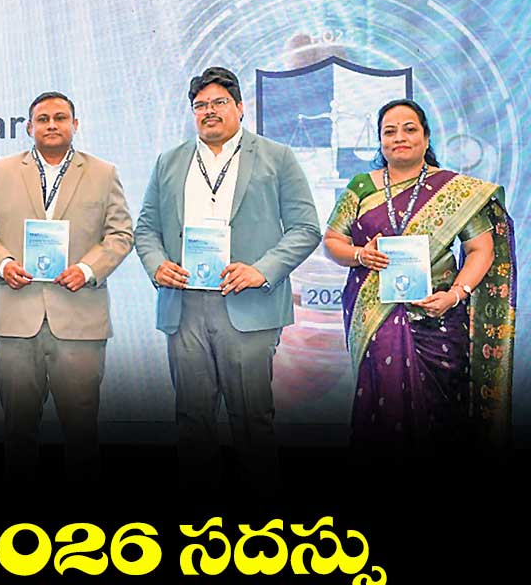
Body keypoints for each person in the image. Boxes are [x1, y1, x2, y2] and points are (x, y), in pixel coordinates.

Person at [134, 67, 320, 492]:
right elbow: (146, 228)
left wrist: (262, 270)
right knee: (191, 420)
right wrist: (157, 265)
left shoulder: (277, 157)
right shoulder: (169, 161)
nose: (209, 111)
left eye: (219, 102)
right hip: (184, 306)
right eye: (200, 105)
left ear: (240, 107)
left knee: (252, 420)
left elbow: (306, 228)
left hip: (248, 305)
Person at [322, 98, 515, 454]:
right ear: (380, 141)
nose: (399, 137)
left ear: (426, 138)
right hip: (375, 317)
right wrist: (360, 254)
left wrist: (455, 295)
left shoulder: (455, 191)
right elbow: (333, 240)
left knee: (444, 416)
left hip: (438, 317)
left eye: (409, 129)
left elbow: (481, 249)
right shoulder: (362, 187)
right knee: (382, 412)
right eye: (389, 131)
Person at [0, 91, 134, 478]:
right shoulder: (1, 171)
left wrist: (88, 269)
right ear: (29, 127)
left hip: (80, 321)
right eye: (43, 119)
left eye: (60, 118)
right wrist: (3, 264)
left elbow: (120, 234)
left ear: (76, 125)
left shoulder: (103, 173)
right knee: (17, 432)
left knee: (82, 433)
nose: (52, 125)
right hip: (16, 320)